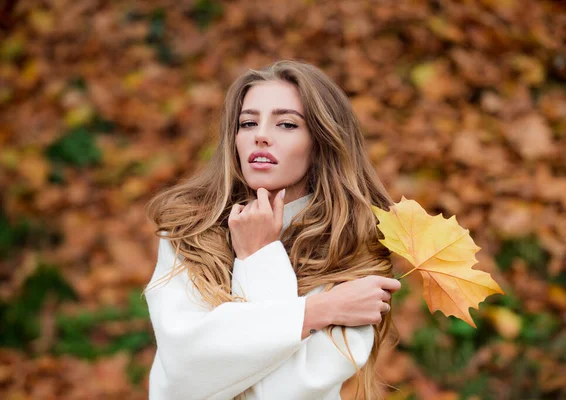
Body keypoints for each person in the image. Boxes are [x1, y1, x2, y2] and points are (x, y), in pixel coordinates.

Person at [144, 60, 402, 400]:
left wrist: (259, 257)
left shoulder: (354, 246)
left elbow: (286, 392)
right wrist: (319, 311)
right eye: (248, 122)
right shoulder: (191, 230)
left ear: (322, 141)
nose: (260, 135)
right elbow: (183, 370)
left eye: (286, 124)